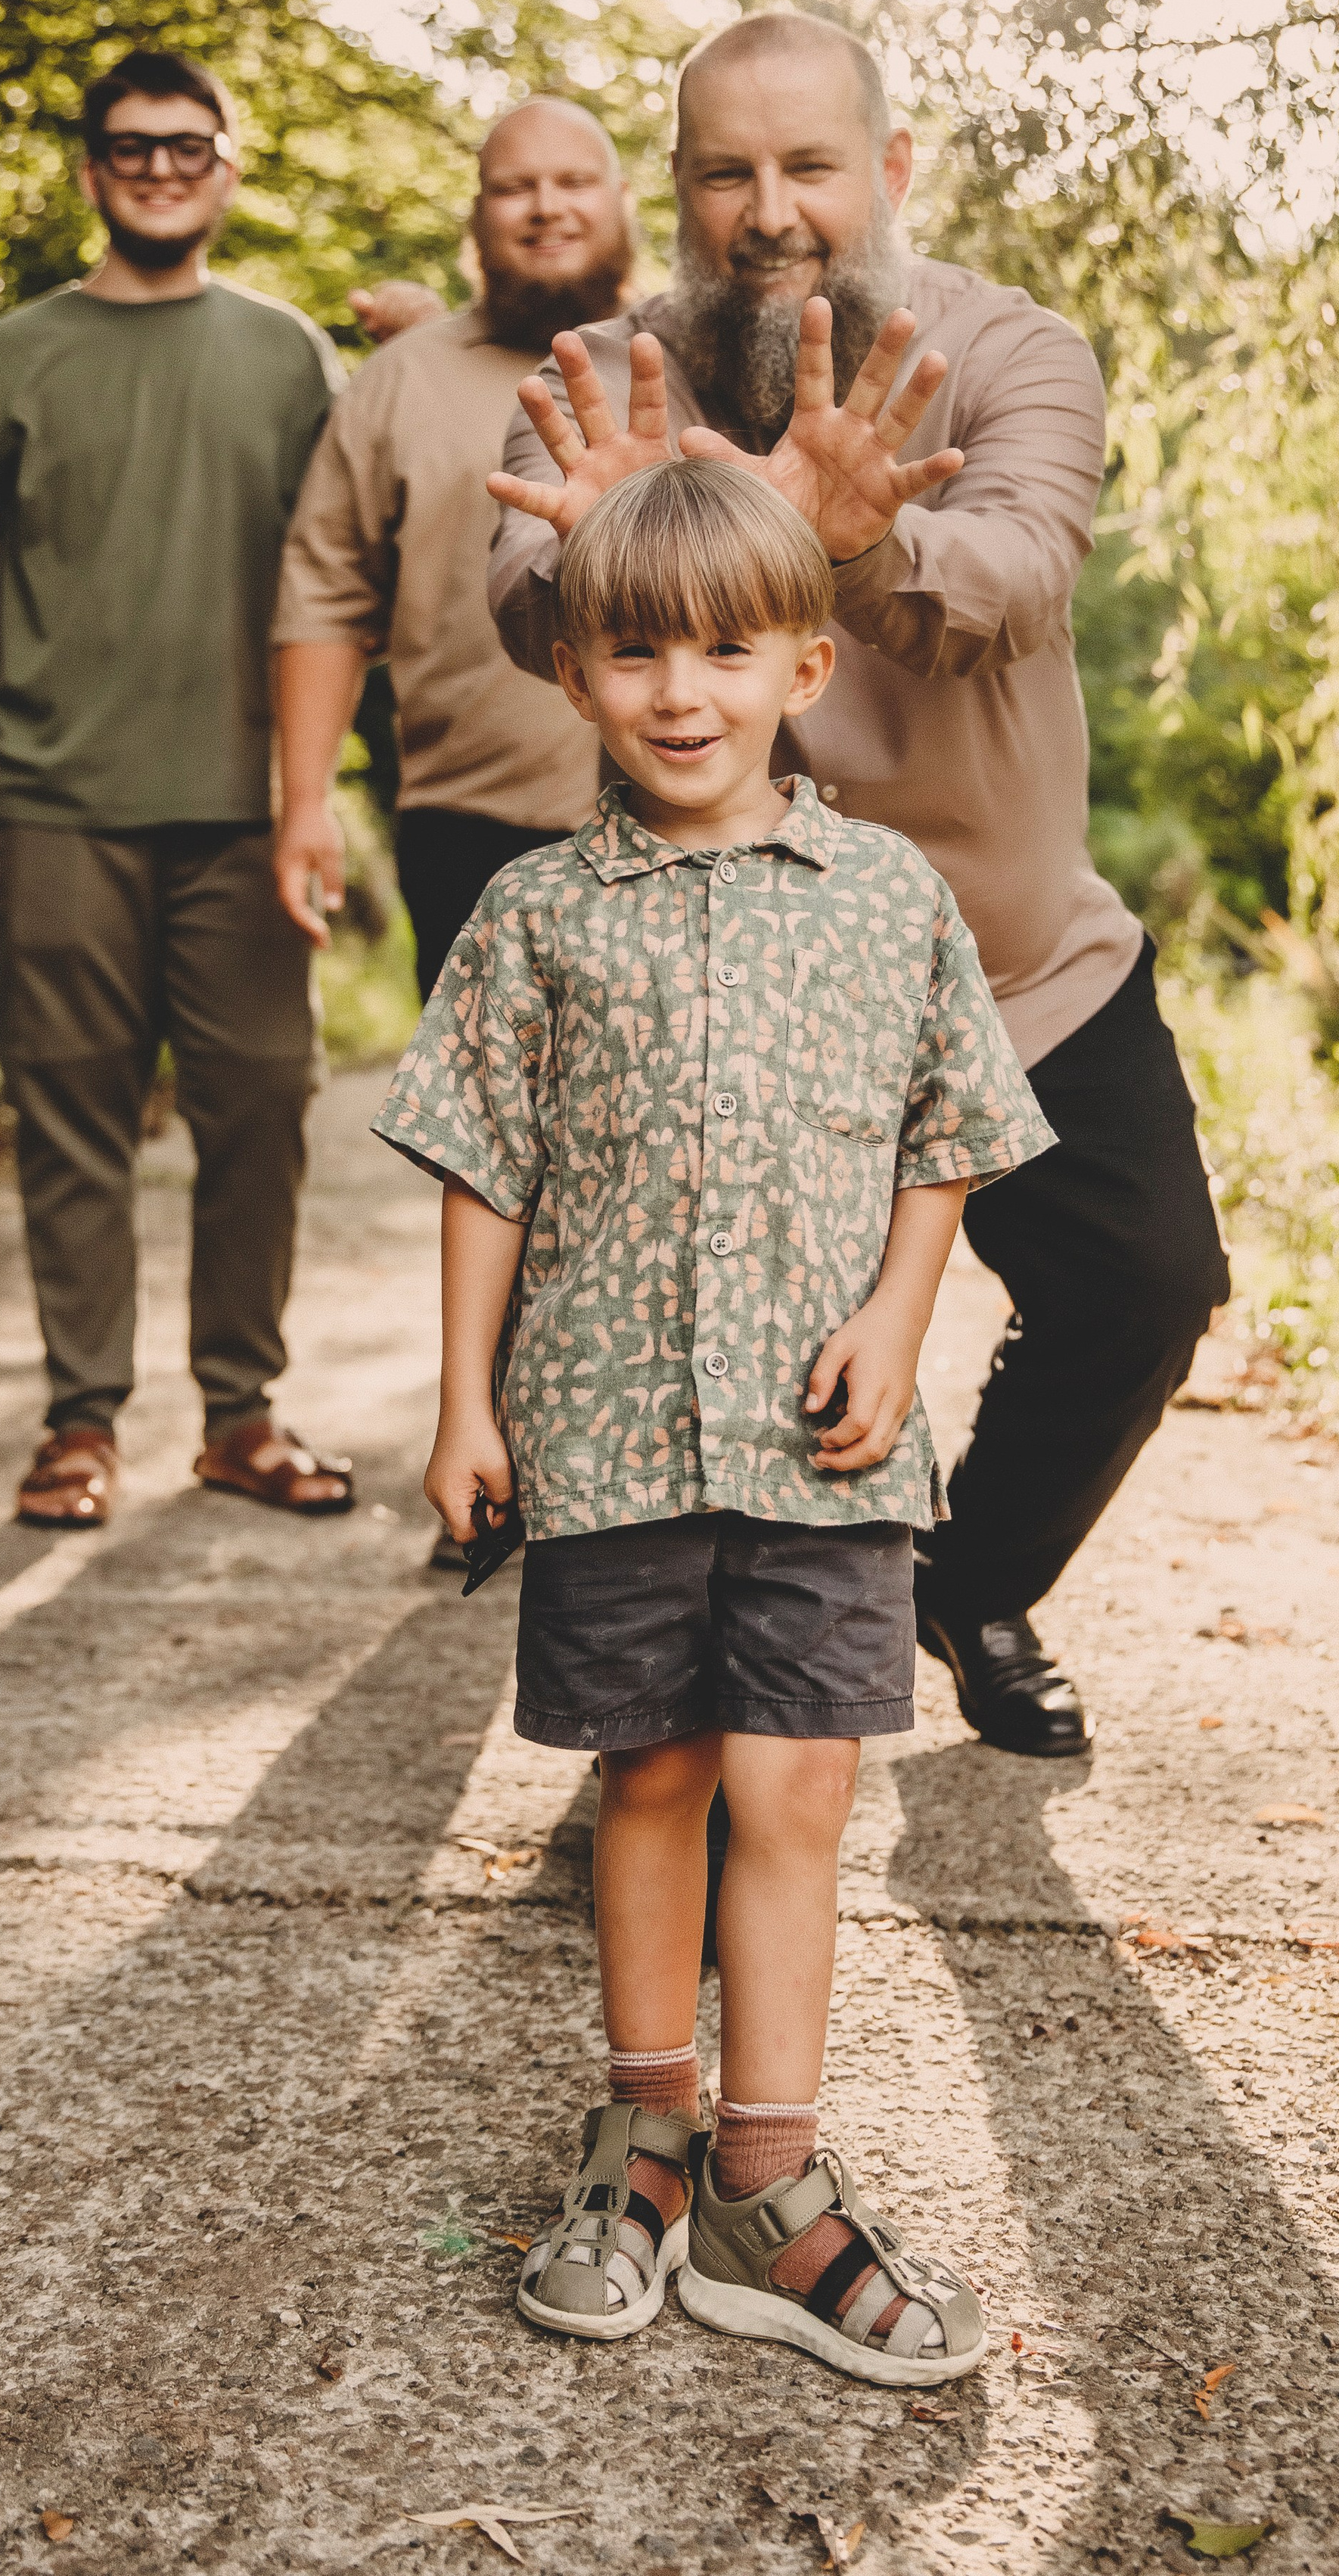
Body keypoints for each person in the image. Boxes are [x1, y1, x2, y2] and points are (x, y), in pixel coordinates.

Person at [374, 458, 1053, 2376]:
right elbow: (481, 1167)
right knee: (651, 1774)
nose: (681, 690)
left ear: (802, 662)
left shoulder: (886, 895)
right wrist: (458, 1404)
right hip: (600, 1433)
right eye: (635, 652)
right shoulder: (529, 914)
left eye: (725, 650)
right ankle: (646, 2127)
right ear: (574, 672)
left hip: (821, 1442)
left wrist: (898, 1315)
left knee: (799, 1781)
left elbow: (947, 1134)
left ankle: (770, 2179)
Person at [487, 10, 1231, 1760]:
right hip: (722, 977)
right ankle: (705, 1735)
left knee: (1143, 1282)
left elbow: (1017, 578)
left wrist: (854, 536)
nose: (769, 209)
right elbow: (531, 602)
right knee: (742, 1368)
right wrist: (624, 545)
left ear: (885, 170)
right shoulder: (613, 368)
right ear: (676, 191)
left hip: (1009, 950)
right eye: (726, 170)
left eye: (809, 164)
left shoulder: (1010, 351)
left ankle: (967, 1587)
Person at [0, 47, 356, 1530]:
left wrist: (314, 790)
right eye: (128, 145)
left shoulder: (287, 354)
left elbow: (336, 580)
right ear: (92, 168)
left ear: (226, 164)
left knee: (261, 1111)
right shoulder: (15, 354)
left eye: (185, 143)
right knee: (70, 1116)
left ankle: (239, 1415)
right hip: (50, 799)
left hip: (241, 807)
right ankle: (79, 1424)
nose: (158, 166)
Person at [269, 96, 629, 1003]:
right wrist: (305, 803)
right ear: (476, 216)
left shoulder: (693, 356)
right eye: (516, 187)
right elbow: (324, 596)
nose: (546, 206)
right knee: (486, 1141)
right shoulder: (400, 380)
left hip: (702, 820)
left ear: (623, 200)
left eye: (574, 182)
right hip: (470, 831)